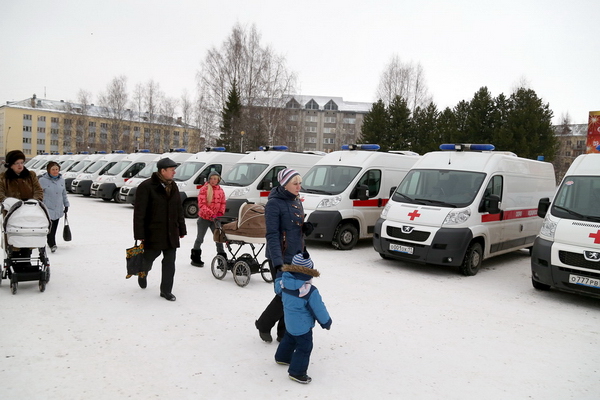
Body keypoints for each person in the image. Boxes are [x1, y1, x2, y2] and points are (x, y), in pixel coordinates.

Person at [255, 168, 313, 343]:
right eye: (295, 184)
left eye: (300, 183)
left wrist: (305, 228)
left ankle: (283, 333)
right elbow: (272, 234)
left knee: (293, 295)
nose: (299, 187)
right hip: (279, 256)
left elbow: (294, 228)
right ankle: (264, 324)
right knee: (285, 295)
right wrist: (278, 261)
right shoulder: (274, 203)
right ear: (284, 184)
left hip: (296, 255)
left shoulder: (296, 200)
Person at [133, 157, 187, 301]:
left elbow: (178, 208)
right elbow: (139, 212)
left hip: (171, 232)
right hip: (154, 232)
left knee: (170, 262)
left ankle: (166, 290)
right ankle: (143, 272)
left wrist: (182, 228)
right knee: (149, 258)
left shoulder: (173, 186)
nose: (174, 172)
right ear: (162, 171)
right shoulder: (146, 186)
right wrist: (139, 233)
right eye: (171, 170)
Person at [274, 252, 332, 384]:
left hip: (289, 323)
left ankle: (281, 357)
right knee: (304, 347)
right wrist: (326, 322)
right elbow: (319, 309)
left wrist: (278, 275)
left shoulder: (283, 284)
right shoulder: (309, 291)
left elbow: (277, 287)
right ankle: (297, 372)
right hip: (303, 327)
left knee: (289, 338)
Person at [0, 150, 45, 263]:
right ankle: (13, 262)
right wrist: (8, 202)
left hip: (30, 213)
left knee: (28, 238)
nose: (20, 165)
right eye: (17, 163)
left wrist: (33, 202)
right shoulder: (3, 178)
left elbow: (38, 191)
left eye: (22, 162)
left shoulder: (31, 175)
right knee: (14, 239)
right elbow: (0, 194)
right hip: (11, 214)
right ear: (10, 165)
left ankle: (26, 261)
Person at [191, 171, 226, 267]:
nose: (213, 181)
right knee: (200, 238)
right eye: (212, 179)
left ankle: (221, 259)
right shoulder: (204, 189)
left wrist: (220, 212)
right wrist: (211, 214)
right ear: (209, 179)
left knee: (219, 239)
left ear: (218, 180)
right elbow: (202, 204)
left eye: (215, 179)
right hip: (204, 218)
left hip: (216, 219)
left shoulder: (220, 190)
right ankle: (195, 258)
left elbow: (223, 202)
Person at [39, 161, 70, 253]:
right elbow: (38, 194)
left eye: (57, 169)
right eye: (53, 169)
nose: (55, 171)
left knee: (54, 226)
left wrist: (66, 204)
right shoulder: (42, 180)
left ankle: (51, 242)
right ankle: (51, 243)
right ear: (49, 170)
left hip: (58, 207)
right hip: (47, 207)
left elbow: (64, 193)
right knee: (47, 227)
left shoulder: (61, 180)